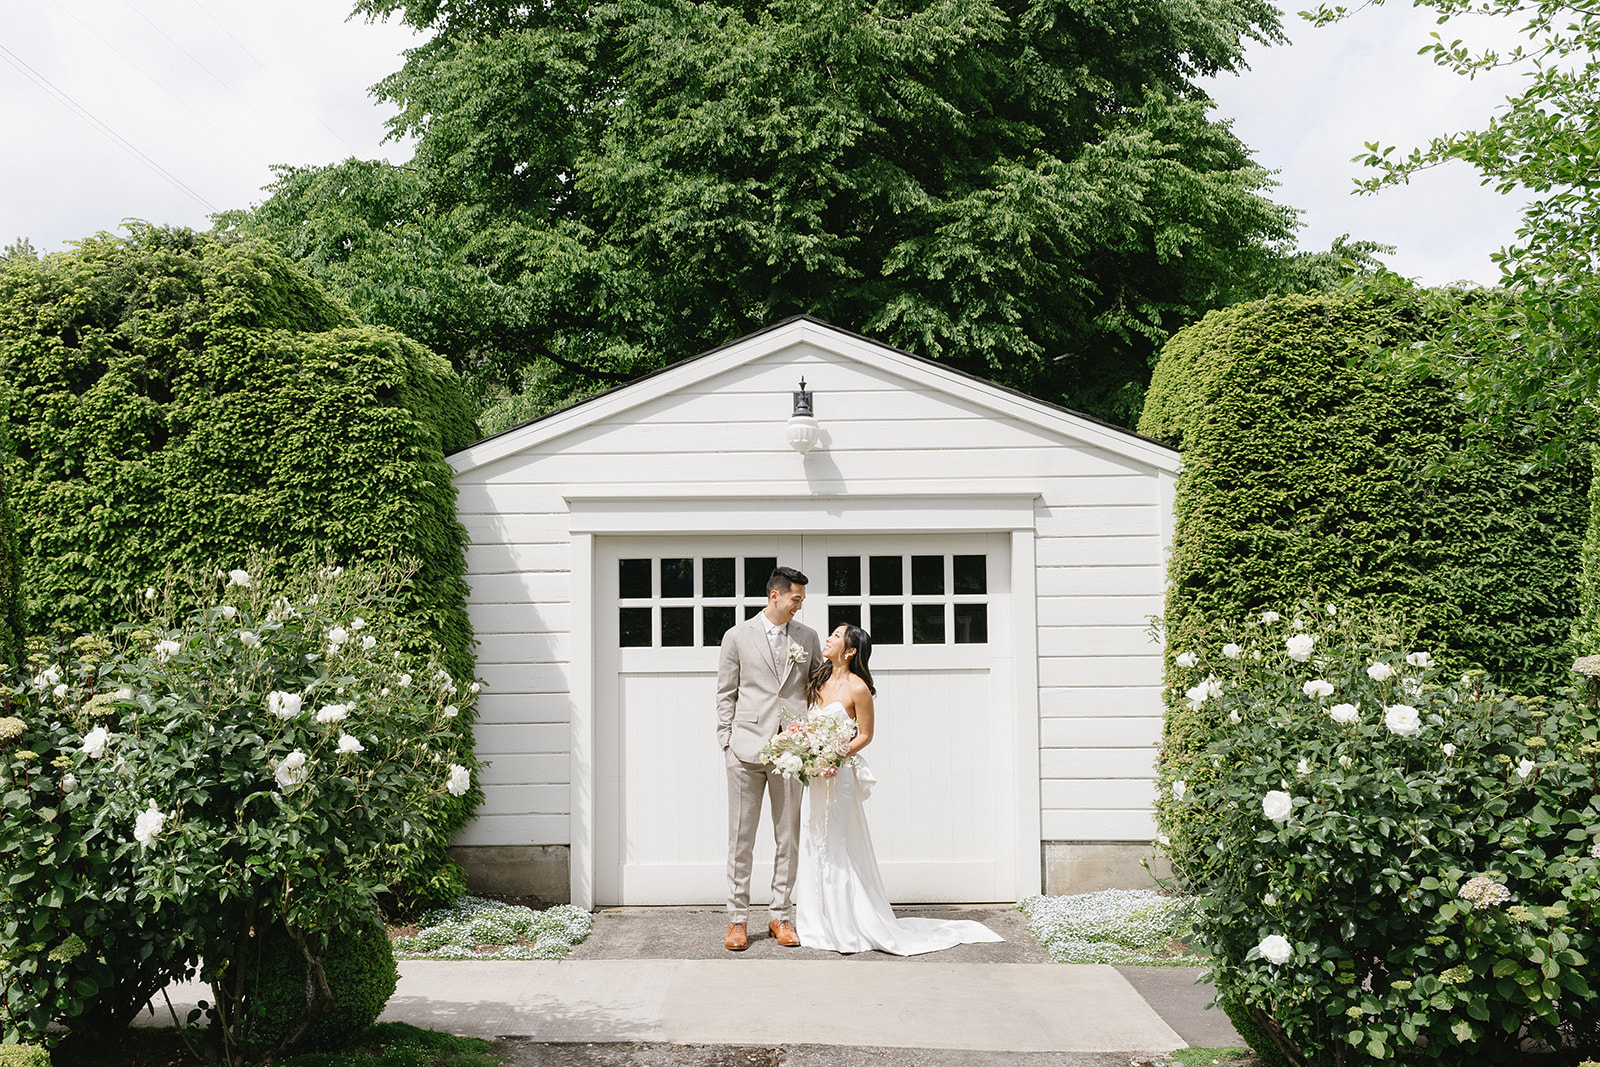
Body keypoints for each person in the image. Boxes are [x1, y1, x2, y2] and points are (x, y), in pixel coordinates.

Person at [796, 623, 1006, 955]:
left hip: (839, 774)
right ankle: (816, 924)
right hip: (815, 776)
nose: (829, 638)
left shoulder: (858, 688)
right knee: (812, 840)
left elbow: (865, 735)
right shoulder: (818, 680)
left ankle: (846, 926)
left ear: (850, 651)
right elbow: (809, 725)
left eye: (836, 636)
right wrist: (807, 751)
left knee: (834, 843)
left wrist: (834, 752)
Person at [715, 566, 824, 951]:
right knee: (740, 839)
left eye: (802, 600)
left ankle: (780, 915)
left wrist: (816, 737)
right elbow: (726, 692)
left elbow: (819, 688)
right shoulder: (737, 636)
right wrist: (726, 740)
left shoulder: (808, 637)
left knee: (787, 838)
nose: (800, 606)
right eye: (796, 599)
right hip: (744, 750)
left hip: (790, 752)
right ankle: (737, 920)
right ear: (775, 596)